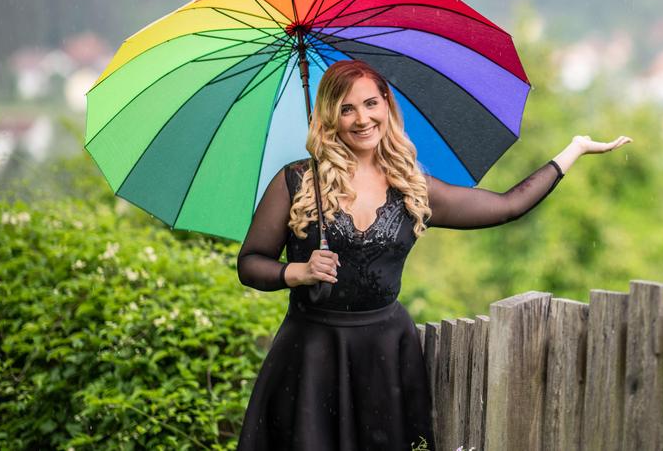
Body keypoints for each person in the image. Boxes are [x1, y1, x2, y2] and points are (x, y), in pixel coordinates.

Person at [235, 59, 630, 450]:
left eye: (371, 103)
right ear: (329, 117)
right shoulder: (298, 182)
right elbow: (250, 263)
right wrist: (297, 273)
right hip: (310, 356)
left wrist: (573, 151)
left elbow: (508, 205)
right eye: (346, 108)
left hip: (385, 356)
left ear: (387, 105)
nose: (362, 119)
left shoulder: (412, 188)